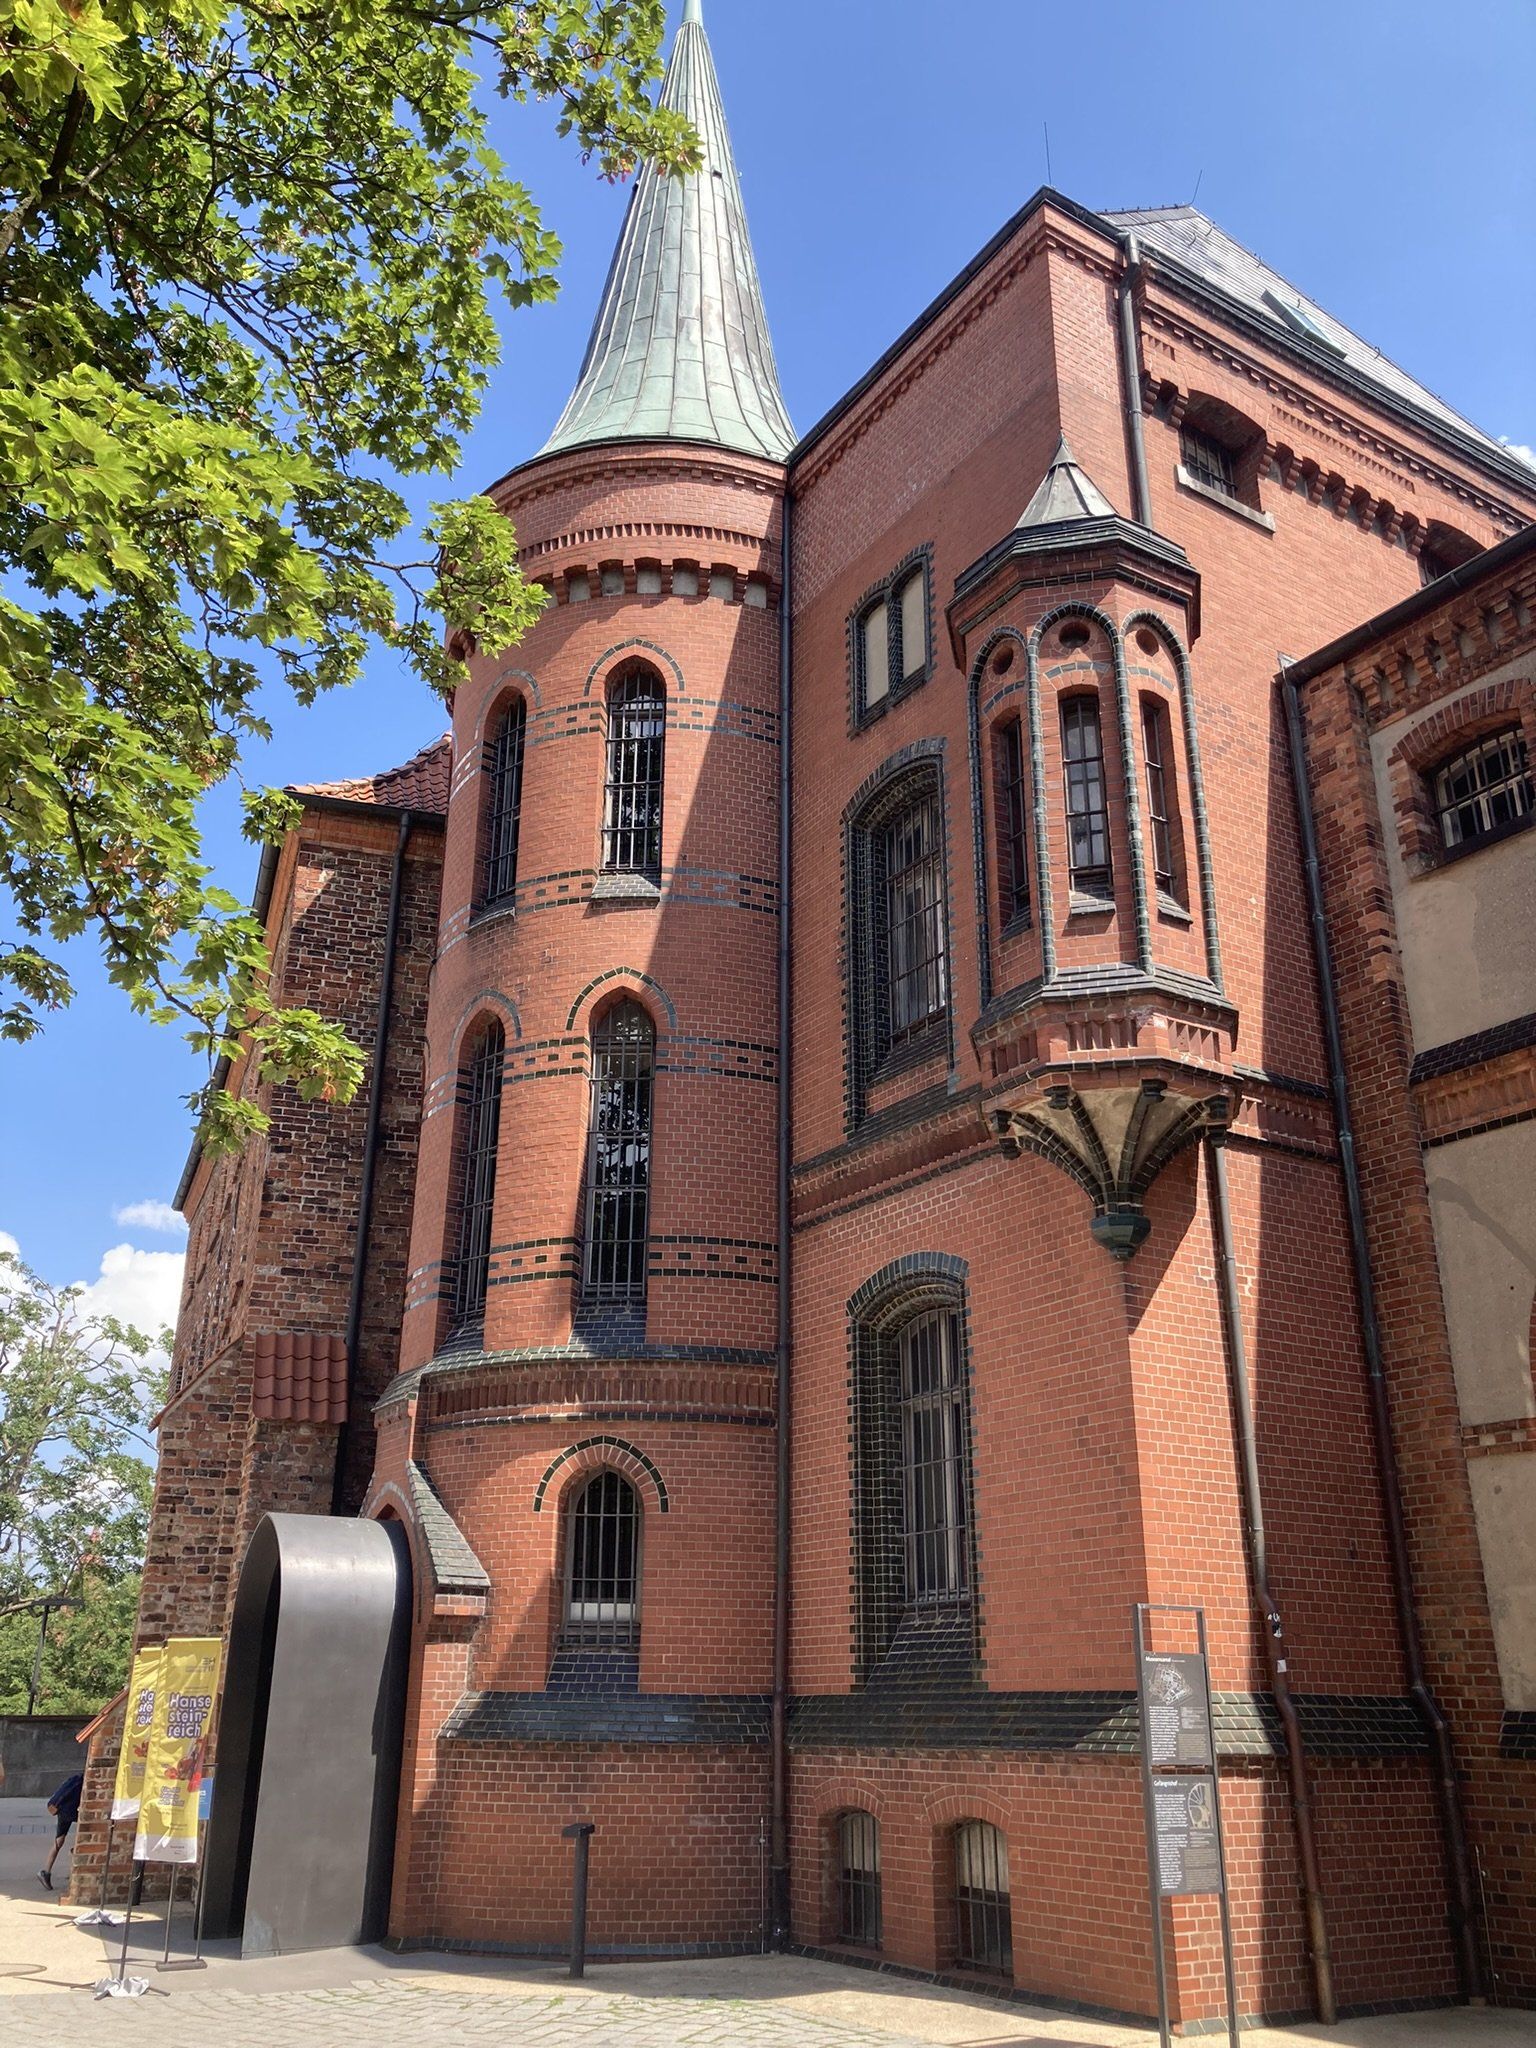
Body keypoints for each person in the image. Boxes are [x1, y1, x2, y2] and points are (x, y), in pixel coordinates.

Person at [37, 1769, 83, 1890]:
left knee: (59, 1841)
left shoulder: (78, 1779)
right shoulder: (79, 1780)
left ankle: (46, 1871)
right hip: (67, 1811)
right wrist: (54, 1804)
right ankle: (75, 1855)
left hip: (67, 1811)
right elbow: (64, 1793)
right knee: (84, 1830)